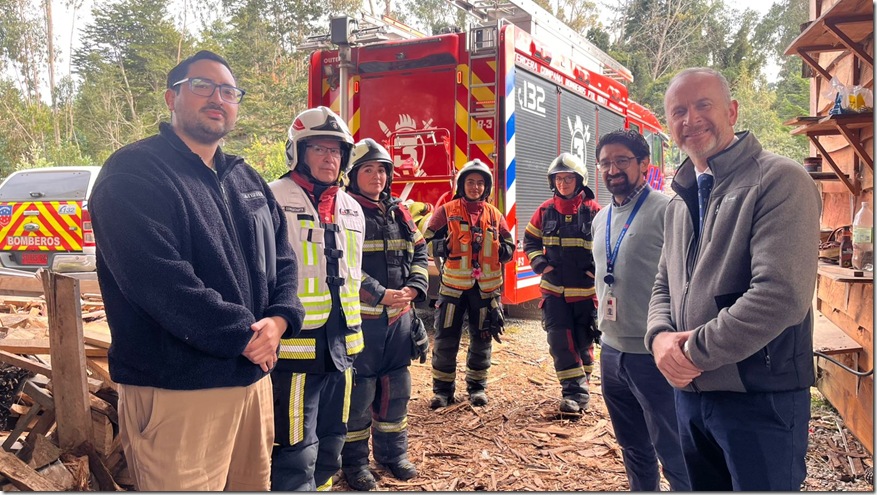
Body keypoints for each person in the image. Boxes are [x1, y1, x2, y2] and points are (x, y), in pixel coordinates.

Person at [89, 50, 304, 491]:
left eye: (228, 91)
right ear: (172, 97)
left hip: (252, 380)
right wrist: (245, 335)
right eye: (202, 86)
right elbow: (157, 280)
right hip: (178, 389)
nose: (217, 98)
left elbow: (283, 258)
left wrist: (281, 319)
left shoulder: (246, 179)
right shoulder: (133, 173)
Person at [646, 67, 820, 491]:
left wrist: (690, 352)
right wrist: (658, 339)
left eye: (703, 105)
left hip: (759, 399)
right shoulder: (678, 202)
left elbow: (779, 295)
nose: (691, 120)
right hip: (690, 396)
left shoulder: (778, 180)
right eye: (678, 111)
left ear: (733, 111)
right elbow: (662, 285)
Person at [269, 106, 365, 491]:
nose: (331, 158)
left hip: (343, 347)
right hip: (296, 347)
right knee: (295, 445)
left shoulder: (351, 206)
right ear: (299, 152)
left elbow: (356, 274)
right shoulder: (272, 199)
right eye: (320, 150)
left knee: (333, 439)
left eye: (337, 151)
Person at [591, 130, 689, 490]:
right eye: (605, 162)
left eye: (621, 161)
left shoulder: (668, 210)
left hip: (652, 353)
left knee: (674, 448)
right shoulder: (600, 218)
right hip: (612, 351)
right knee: (632, 445)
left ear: (644, 164)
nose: (612, 169)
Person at [340, 138, 430, 491]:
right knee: (360, 397)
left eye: (382, 170)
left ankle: (393, 455)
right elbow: (343, 262)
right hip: (364, 322)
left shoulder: (401, 212)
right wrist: (380, 294)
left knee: (397, 391)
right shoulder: (345, 211)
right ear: (353, 175)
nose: (376, 176)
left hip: (400, 321)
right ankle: (355, 463)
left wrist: (413, 289)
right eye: (368, 169)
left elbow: (420, 253)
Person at [423, 159, 514, 409]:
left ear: (487, 187)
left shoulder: (495, 215)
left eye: (480, 183)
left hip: (485, 291)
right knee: (445, 339)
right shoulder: (446, 210)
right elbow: (426, 241)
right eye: (470, 182)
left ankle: (477, 388)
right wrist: (444, 247)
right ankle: (442, 391)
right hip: (452, 289)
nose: (475, 187)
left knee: (482, 339)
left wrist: (499, 250)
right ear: (461, 184)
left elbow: (510, 247)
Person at [523, 153, 601, 414]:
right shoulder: (544, 211)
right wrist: (541, 265)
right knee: (559, 341)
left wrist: (596, 269)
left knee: (583, 342)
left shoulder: (595, 212)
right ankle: (574, 392)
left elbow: (609, 246)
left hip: (586, 293)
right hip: (554, 292)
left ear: (580, 180)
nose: (563, 183)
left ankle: (583, 384)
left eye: (568, 178)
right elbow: (530, 241)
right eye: (559, 178)